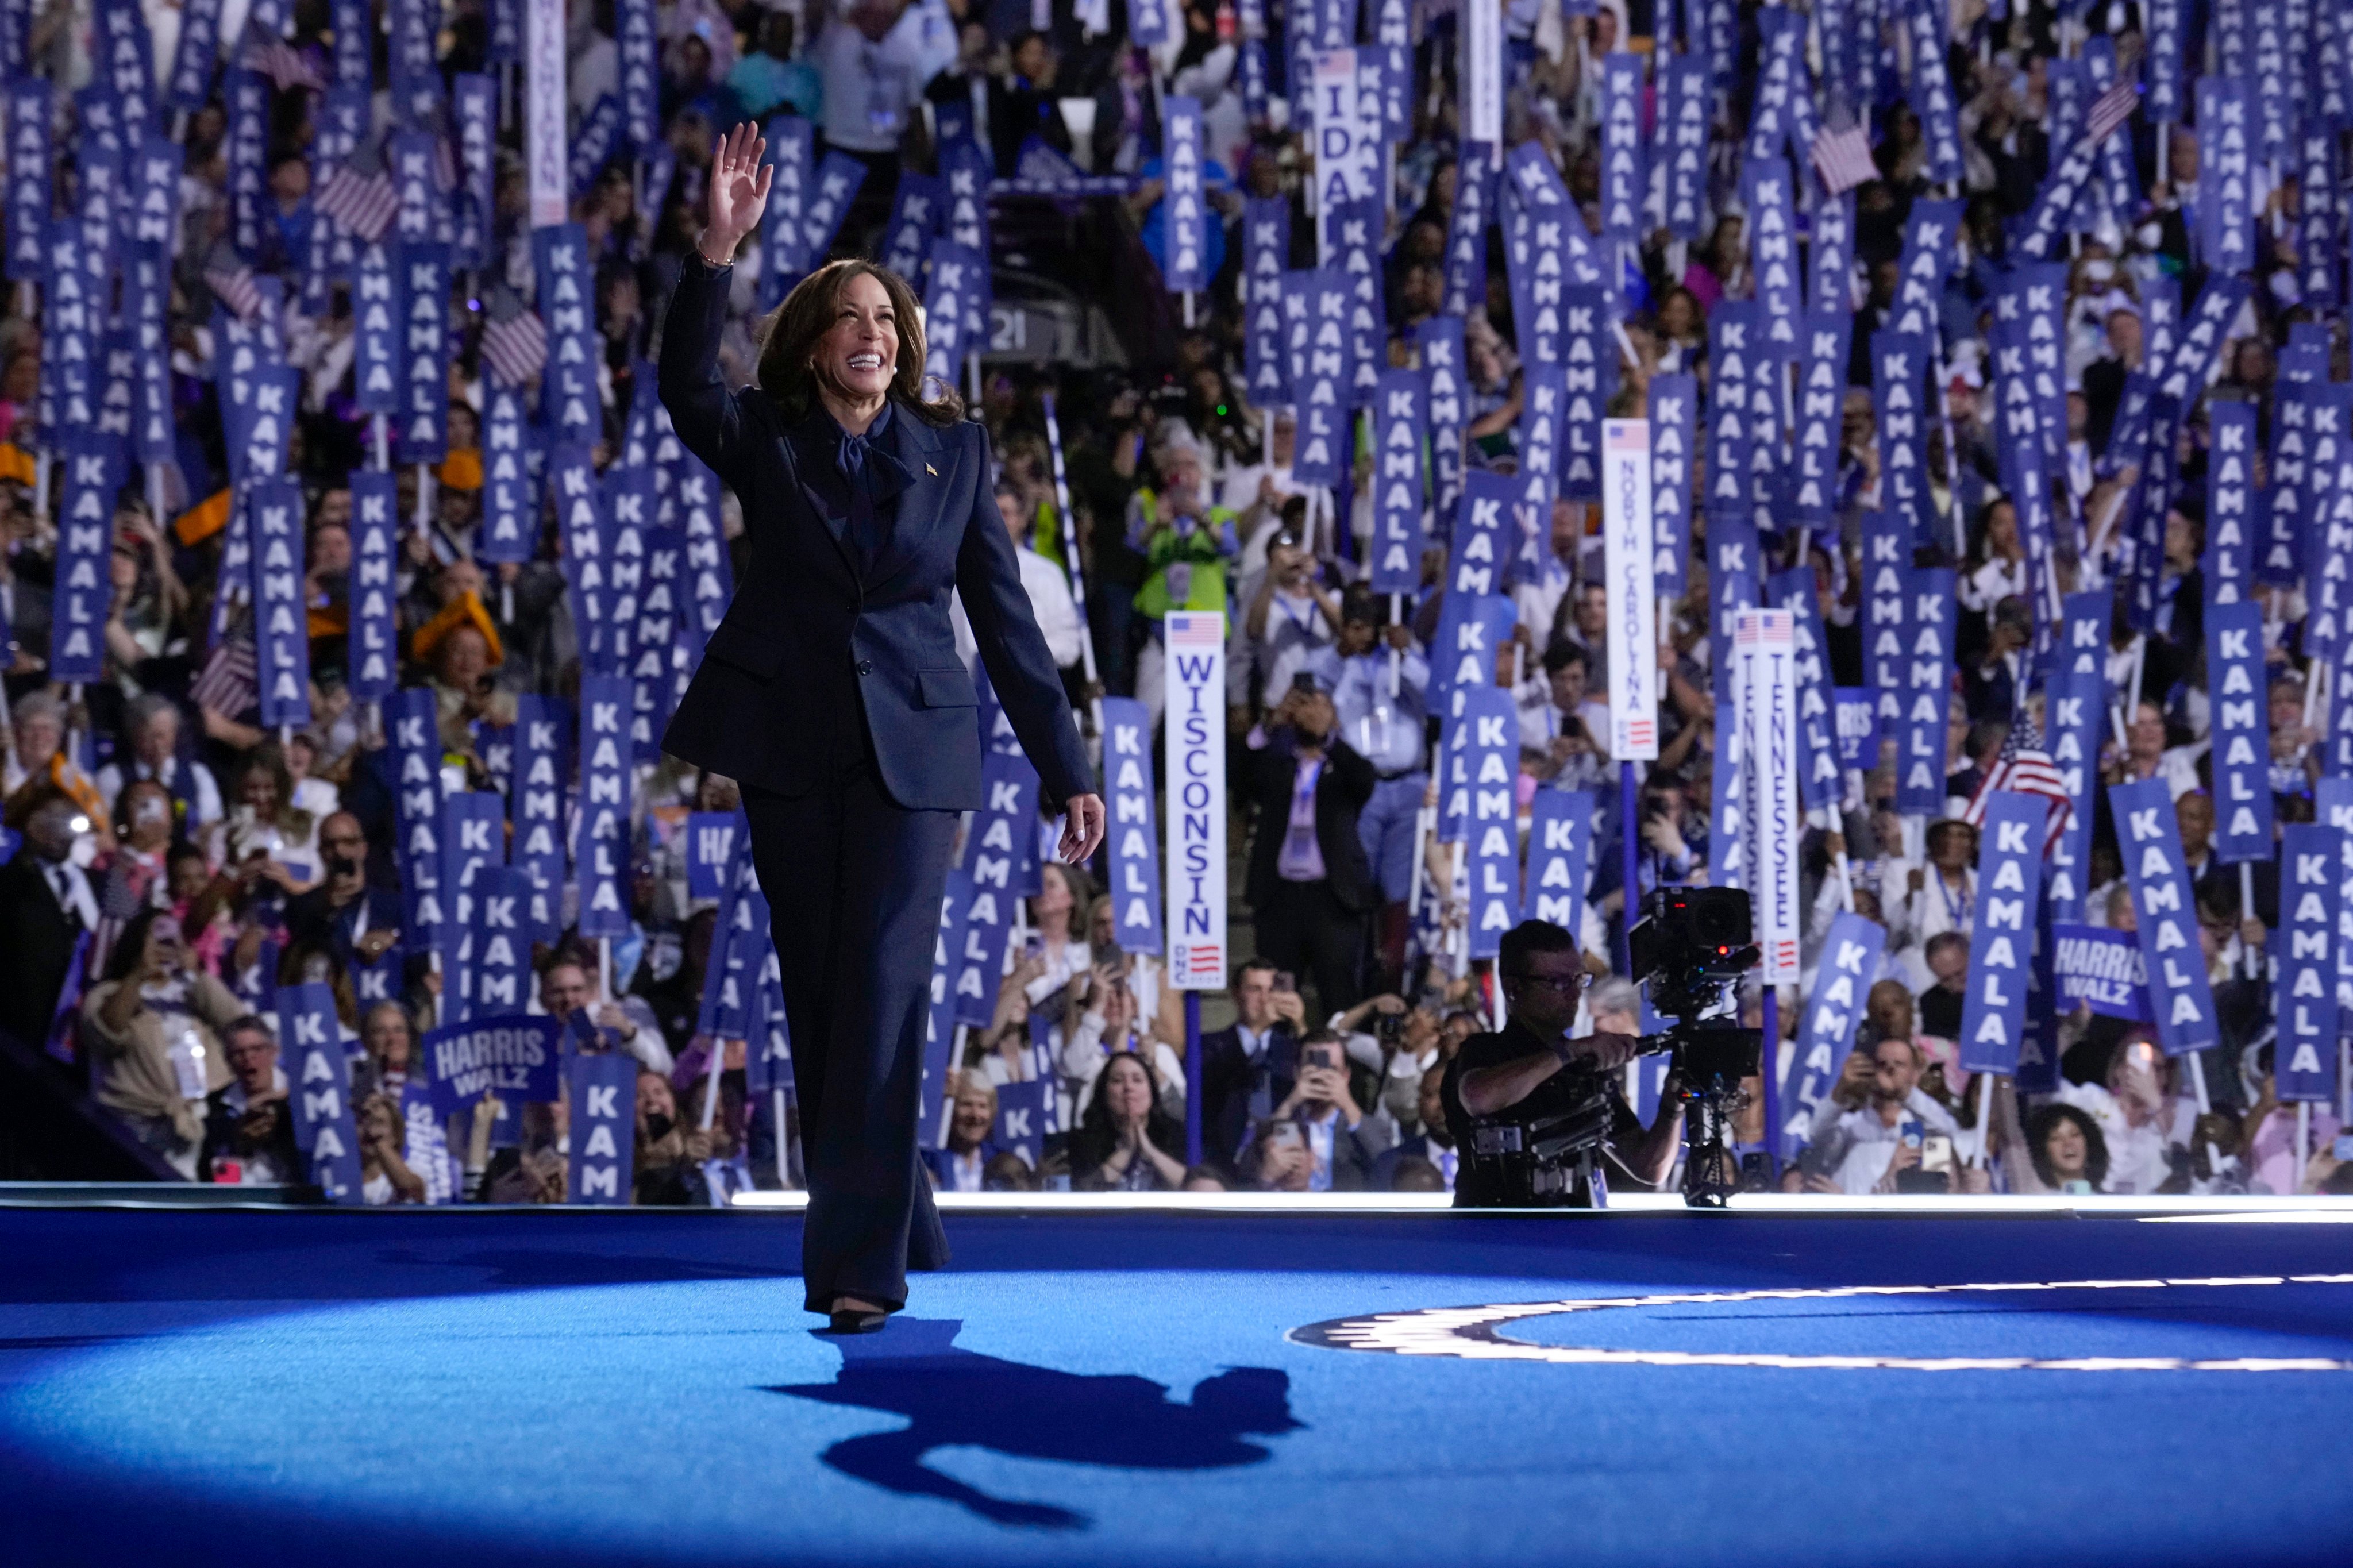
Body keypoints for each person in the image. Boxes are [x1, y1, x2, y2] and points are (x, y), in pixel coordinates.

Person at [658, 124, 1103, 1333]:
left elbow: (1007, 622)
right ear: (814, 344)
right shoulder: (768, 435)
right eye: (852, 318)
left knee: (886, 986)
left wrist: (1067, 766)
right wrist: (715, 250)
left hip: (918, 756)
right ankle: (896, 1199)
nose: (874, 333)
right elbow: (685, 388)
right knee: (824, 994)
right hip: (793, 748)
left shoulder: (952, 453)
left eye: (889, 322)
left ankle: (859, 1268)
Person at [1441, 920, 1665, 1207]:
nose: (1574, 994)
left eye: (1579, 980)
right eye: (1557, 983)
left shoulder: (1584, 1069)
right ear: (1513, 988)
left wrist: (1676, 1100)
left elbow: (1648, 1168)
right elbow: (1480, 1097)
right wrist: (1568, 1052)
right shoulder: (1484, 1051)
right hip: (1496, 1235)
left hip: (1576, 1238)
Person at [79, 907, 246, 1176]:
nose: (166, 950)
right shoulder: (108, 993)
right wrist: (138, 974)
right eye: (159, 941)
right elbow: (107, 1033)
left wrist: (194, 973)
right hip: (131, 1127)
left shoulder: (190, 993)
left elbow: (238, 1024)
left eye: (172, 942)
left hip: (188, 1128)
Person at [1242, 682, 1374, 1015]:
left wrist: (1328, 737)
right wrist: (1271, 725)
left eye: (1320, 706)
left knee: (1339, 994)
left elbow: (1365, 780)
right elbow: (1241, 779)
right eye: (1304, 705)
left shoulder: (1342, 769)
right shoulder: (1278, 766)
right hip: (1280, 898)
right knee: (1278, 997)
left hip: (1332, 898)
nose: (1311, 713)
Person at [0, 793, 100, 1049]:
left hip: (77, 1026)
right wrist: (27, 849)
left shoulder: (96, 883)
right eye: (49, 819)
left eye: (65, 819)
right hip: (22, 1025)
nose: (57, 829)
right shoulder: (15, 880)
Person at [1803, 1036, 1962, 1195]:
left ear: (1915, 1074)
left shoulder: (1923, 1128)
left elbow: (1948, 1133)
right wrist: (1841, 1091)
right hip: (1852, 1218)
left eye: (1899, 1064)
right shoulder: (1851, 1126)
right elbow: (1816, 1134)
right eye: (1881, 1064)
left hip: (1905, 1218)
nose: (1890, 1069)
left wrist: (1905, 1094)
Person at [1197, 957, 1307, 1171]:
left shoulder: (1291, 1048)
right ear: (1237, 994)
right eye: (1255, 990)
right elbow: (1216, 1080)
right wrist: (1258, 1027)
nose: (1264, 999)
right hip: (1225, 1155)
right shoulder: (1212, 1045)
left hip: (1281, 1148)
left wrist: (1301, 1026)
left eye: (1270, 990)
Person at [198, 1016, 299, 1185]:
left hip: (290, 1197)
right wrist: (236, 1139)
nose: (248, 1058)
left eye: (256, 1049)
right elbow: (208, 1170)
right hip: (238, 1199)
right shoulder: (216, 1106)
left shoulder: (297, 1099)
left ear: (273, 1051)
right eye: (239, 1053)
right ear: (228, 1060)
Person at [1067, 1052, 1189, 1191]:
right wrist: (1127, 1150)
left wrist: (1150, 1150)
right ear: (1104, 1092)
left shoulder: (1176, 1133)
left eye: (1137, 1080)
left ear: (1152, 1091)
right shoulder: (1082, 1141)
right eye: (1118, 1080)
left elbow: (1196, 1189)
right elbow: (1085, 1194)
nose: (1129, 1088)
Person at [921, 1077, 1004, 1192]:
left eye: (983, 1106)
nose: (976, 1115)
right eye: (967, 1104)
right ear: (949, 1109)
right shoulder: (927, 1159)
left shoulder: (1001, 1161)